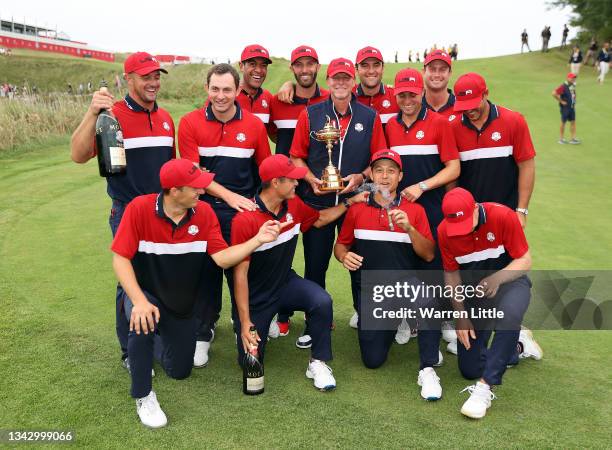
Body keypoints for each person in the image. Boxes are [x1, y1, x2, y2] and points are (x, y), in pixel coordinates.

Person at [111, 158, 286, 428]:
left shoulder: (204, 213)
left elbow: (223, 259)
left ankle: (143, 349)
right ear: (174, 190)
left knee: (179, 371)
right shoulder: (138, 208)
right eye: (195, 188)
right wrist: (139, 301)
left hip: (180, 303)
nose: (201, 192)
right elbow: (120, 258)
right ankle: (143, 394)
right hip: (146, 294)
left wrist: (257, 240)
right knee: (142, 322)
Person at [70, 52, 175, 373]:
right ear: (128, 79)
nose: (153, 83)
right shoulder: (110, 115)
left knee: (159, 279)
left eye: (156, 76)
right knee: (129, 282)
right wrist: (91, 112)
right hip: (128, 214)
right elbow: (77, 154)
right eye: (146, 77)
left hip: (163, 213)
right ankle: (130, 351)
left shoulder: (166, 118)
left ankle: (156, 338)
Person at [232, 154, 368, 390]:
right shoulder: (245, 219)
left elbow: (319, 219)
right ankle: (246, 327)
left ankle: (318, 361)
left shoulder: (293, 204)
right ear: (275, 183)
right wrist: (245, 322)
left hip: (285, 283)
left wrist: (349, 202)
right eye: (293, 180)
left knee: (322, 301)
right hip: (257, 295)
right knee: (250, 364)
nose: (298, 183)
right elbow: (240, 276)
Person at [178, 63, 271, 367]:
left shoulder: (255, 125)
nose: (221, 96)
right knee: (205, 275)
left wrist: (251, 202)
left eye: (227, 89)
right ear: (207, 89)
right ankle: (203, 333)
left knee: (241, 272)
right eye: (215, 89)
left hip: (242, 214)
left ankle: (241, 326)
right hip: (203, 210)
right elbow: (194, 176)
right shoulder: (190, 123)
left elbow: (264, 171)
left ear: (237, 90)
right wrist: (227, 194)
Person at [289, 57, 387, 343]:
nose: (341, 83)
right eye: (336, 78)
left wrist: (360, 177)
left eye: (346, 78)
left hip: (355, 201)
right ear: (328, 81)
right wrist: (310, 179)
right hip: (318, 200)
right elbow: (297, 155)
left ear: (353, 81)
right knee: (315, 264)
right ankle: (315, 321)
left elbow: (379, 159)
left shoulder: (369, 116)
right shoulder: (311, 113)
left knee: (359, 261)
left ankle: (364, 314)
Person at [334, 150, 445, 401]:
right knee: (372, 360)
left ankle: (427, 368)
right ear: (371, 174)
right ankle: (399, 321)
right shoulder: (357, 209)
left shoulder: (414, 211)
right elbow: (341, 245)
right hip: (373, 290)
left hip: (405, 285)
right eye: (380, 170)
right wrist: (343, 256)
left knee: (429, 302)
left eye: (391, 171)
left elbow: (428, 255)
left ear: (400, 176)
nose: (384, 176)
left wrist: (410, 229)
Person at [437, 187, 542, 419]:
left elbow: (524, 261)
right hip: (477, 293)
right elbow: (452, 274)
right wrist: (461, 316)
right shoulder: (444, 231)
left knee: (509, 316)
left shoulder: (503, 216)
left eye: (466, 222)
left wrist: (497, 278)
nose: (461, 231)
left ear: (475, 208)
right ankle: (517, 346)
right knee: (469, 369)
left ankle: (485, 388)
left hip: (511, 283)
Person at [385, 68, 460, 348]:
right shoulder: (389, 126)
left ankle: (443, 321)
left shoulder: (440, 123)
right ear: (396, 95)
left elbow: (453, 167)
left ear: (421, 94)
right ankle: (407, 318)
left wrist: (423, 186)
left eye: (412, 95)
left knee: (435, 267)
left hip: (432, 208)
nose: (407, 100)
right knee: (406, 265)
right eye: (402, 95)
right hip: (401, 211)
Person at [449, 72, 536, 228]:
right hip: (468, 218)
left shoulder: (514, 121)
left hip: (507, 214)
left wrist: (521, 211)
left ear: (486, 94)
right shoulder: (452, 127)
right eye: (464, 106)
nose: (469, 111)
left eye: (473, 104)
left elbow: (527, 166)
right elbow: (451, 175)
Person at [269, 45, 329, 157]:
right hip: (285, 173)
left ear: (318, 67)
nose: (304, 70)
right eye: (298, 65)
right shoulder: (277, 101)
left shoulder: (330, 99)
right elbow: (273, 135)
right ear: (291, 68)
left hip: (320, 173)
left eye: (310, 64)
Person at [353, 46, 400, 127]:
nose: (371, 71)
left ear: (382, 68)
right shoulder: (347, 98)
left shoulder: (396, 97)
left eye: (376, 65)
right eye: (365, 65)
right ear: (356, 70)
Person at [237, 44, 274, 125]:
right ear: (241, 66)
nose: (258, 70)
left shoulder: (268, 98)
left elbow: (276, 135)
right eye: (252, 64)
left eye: (263, 65)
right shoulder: (225, 96)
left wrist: (291, 85)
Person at [422, 49, 456, 118]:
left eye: (442, 69)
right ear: (424, 72)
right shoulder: (414, 107)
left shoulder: (462, 108)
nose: (437, 75)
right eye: (432, 69)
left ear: (449, 73)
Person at [553, 72, 579, 144]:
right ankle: (561, 139)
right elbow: (554, 93)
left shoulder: (572, 85)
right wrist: (561, 101)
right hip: (565, 108)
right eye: (572, 78)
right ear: (568, 78)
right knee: (563, 122)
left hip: (571, 107)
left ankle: (573, 138)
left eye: (574, 78)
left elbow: (573, 94)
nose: (573, 79)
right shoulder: (563, 86)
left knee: (573, 122)